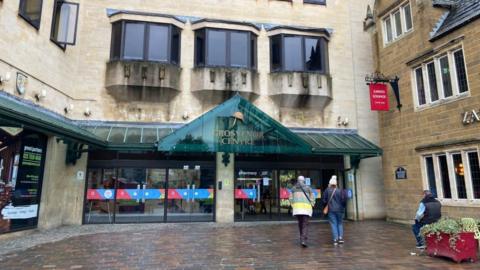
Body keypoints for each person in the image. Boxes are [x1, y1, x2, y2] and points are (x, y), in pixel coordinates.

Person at [289, 176, 315, 247]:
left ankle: (302, 238)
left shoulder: (293, 188)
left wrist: (293, 206)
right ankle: (303, 240)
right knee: (305, 224)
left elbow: (290, 198)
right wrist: (312, 204)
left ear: (298, 180)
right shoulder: (308, 188)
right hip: (306, 209)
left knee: (300, 223)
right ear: (304, 181)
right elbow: (312, 197)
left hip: (297, 209)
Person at [322, 175, 346, 246]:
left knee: (333, 224)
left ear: (330, 184)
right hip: (340, 210)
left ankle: (335, 239)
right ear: (336, 184)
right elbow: (344, 200)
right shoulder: (340, 190)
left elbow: (324, 200)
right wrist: (343, 207)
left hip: (331, 210)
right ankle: (340, 238)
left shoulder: (327, 190)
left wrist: (326, 205)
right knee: (340, 223)